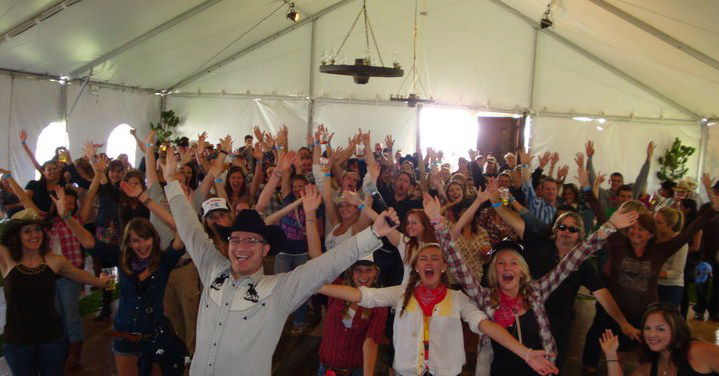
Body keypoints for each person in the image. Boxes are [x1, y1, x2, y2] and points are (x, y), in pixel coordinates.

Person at [162, 146, 399, 375]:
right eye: (236, 239)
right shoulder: (212, 268)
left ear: (265, 249)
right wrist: (171, 182)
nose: (241, 247)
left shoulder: (278, 290)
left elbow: (326, 265)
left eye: (251, 241)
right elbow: (190, 229)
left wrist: (373, 233)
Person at [425, 187, 639, 376]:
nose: (507, 267)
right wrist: (438, 224)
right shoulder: (486, 297)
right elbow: (458, 267)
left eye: (513, 263)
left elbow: (572, 260)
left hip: (540, 369)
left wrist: (609, 227)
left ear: (522, 270)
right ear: (494, 271)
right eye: (501, 263)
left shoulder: (537, 290)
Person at [318, 243, 559, 376]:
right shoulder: (401, 294)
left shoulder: (458, 299)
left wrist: (526, 353)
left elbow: (488, 327)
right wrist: (313, 285)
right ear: (417, 268)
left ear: (443, 267)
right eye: (423, 259)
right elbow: (360, 295)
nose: (429, 262)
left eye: (435, 258)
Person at [0, 208, 109, 376]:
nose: (34, 235)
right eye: (27, 231)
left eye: (37, 229)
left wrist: (101, 281)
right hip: (18, 342)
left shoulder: (54, 260)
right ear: (17, 235)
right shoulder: (7, 259)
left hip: (51, 339)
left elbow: (79, 275)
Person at [600, 303, 719, 376]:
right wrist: (611, 355)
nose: (652, 334)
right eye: (647, 328)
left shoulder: (696, 351)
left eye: (660, 329)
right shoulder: (651, 366)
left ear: (676, 330)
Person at [317, 260, 388, 376]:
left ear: (376, 273)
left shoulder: (379, 304)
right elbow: (319, 260)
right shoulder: (337, 289)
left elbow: (371, 342)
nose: (363, 276)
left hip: (355, 372)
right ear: (351, 272)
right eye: (358, 270)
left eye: (368, 270)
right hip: (324, 370)